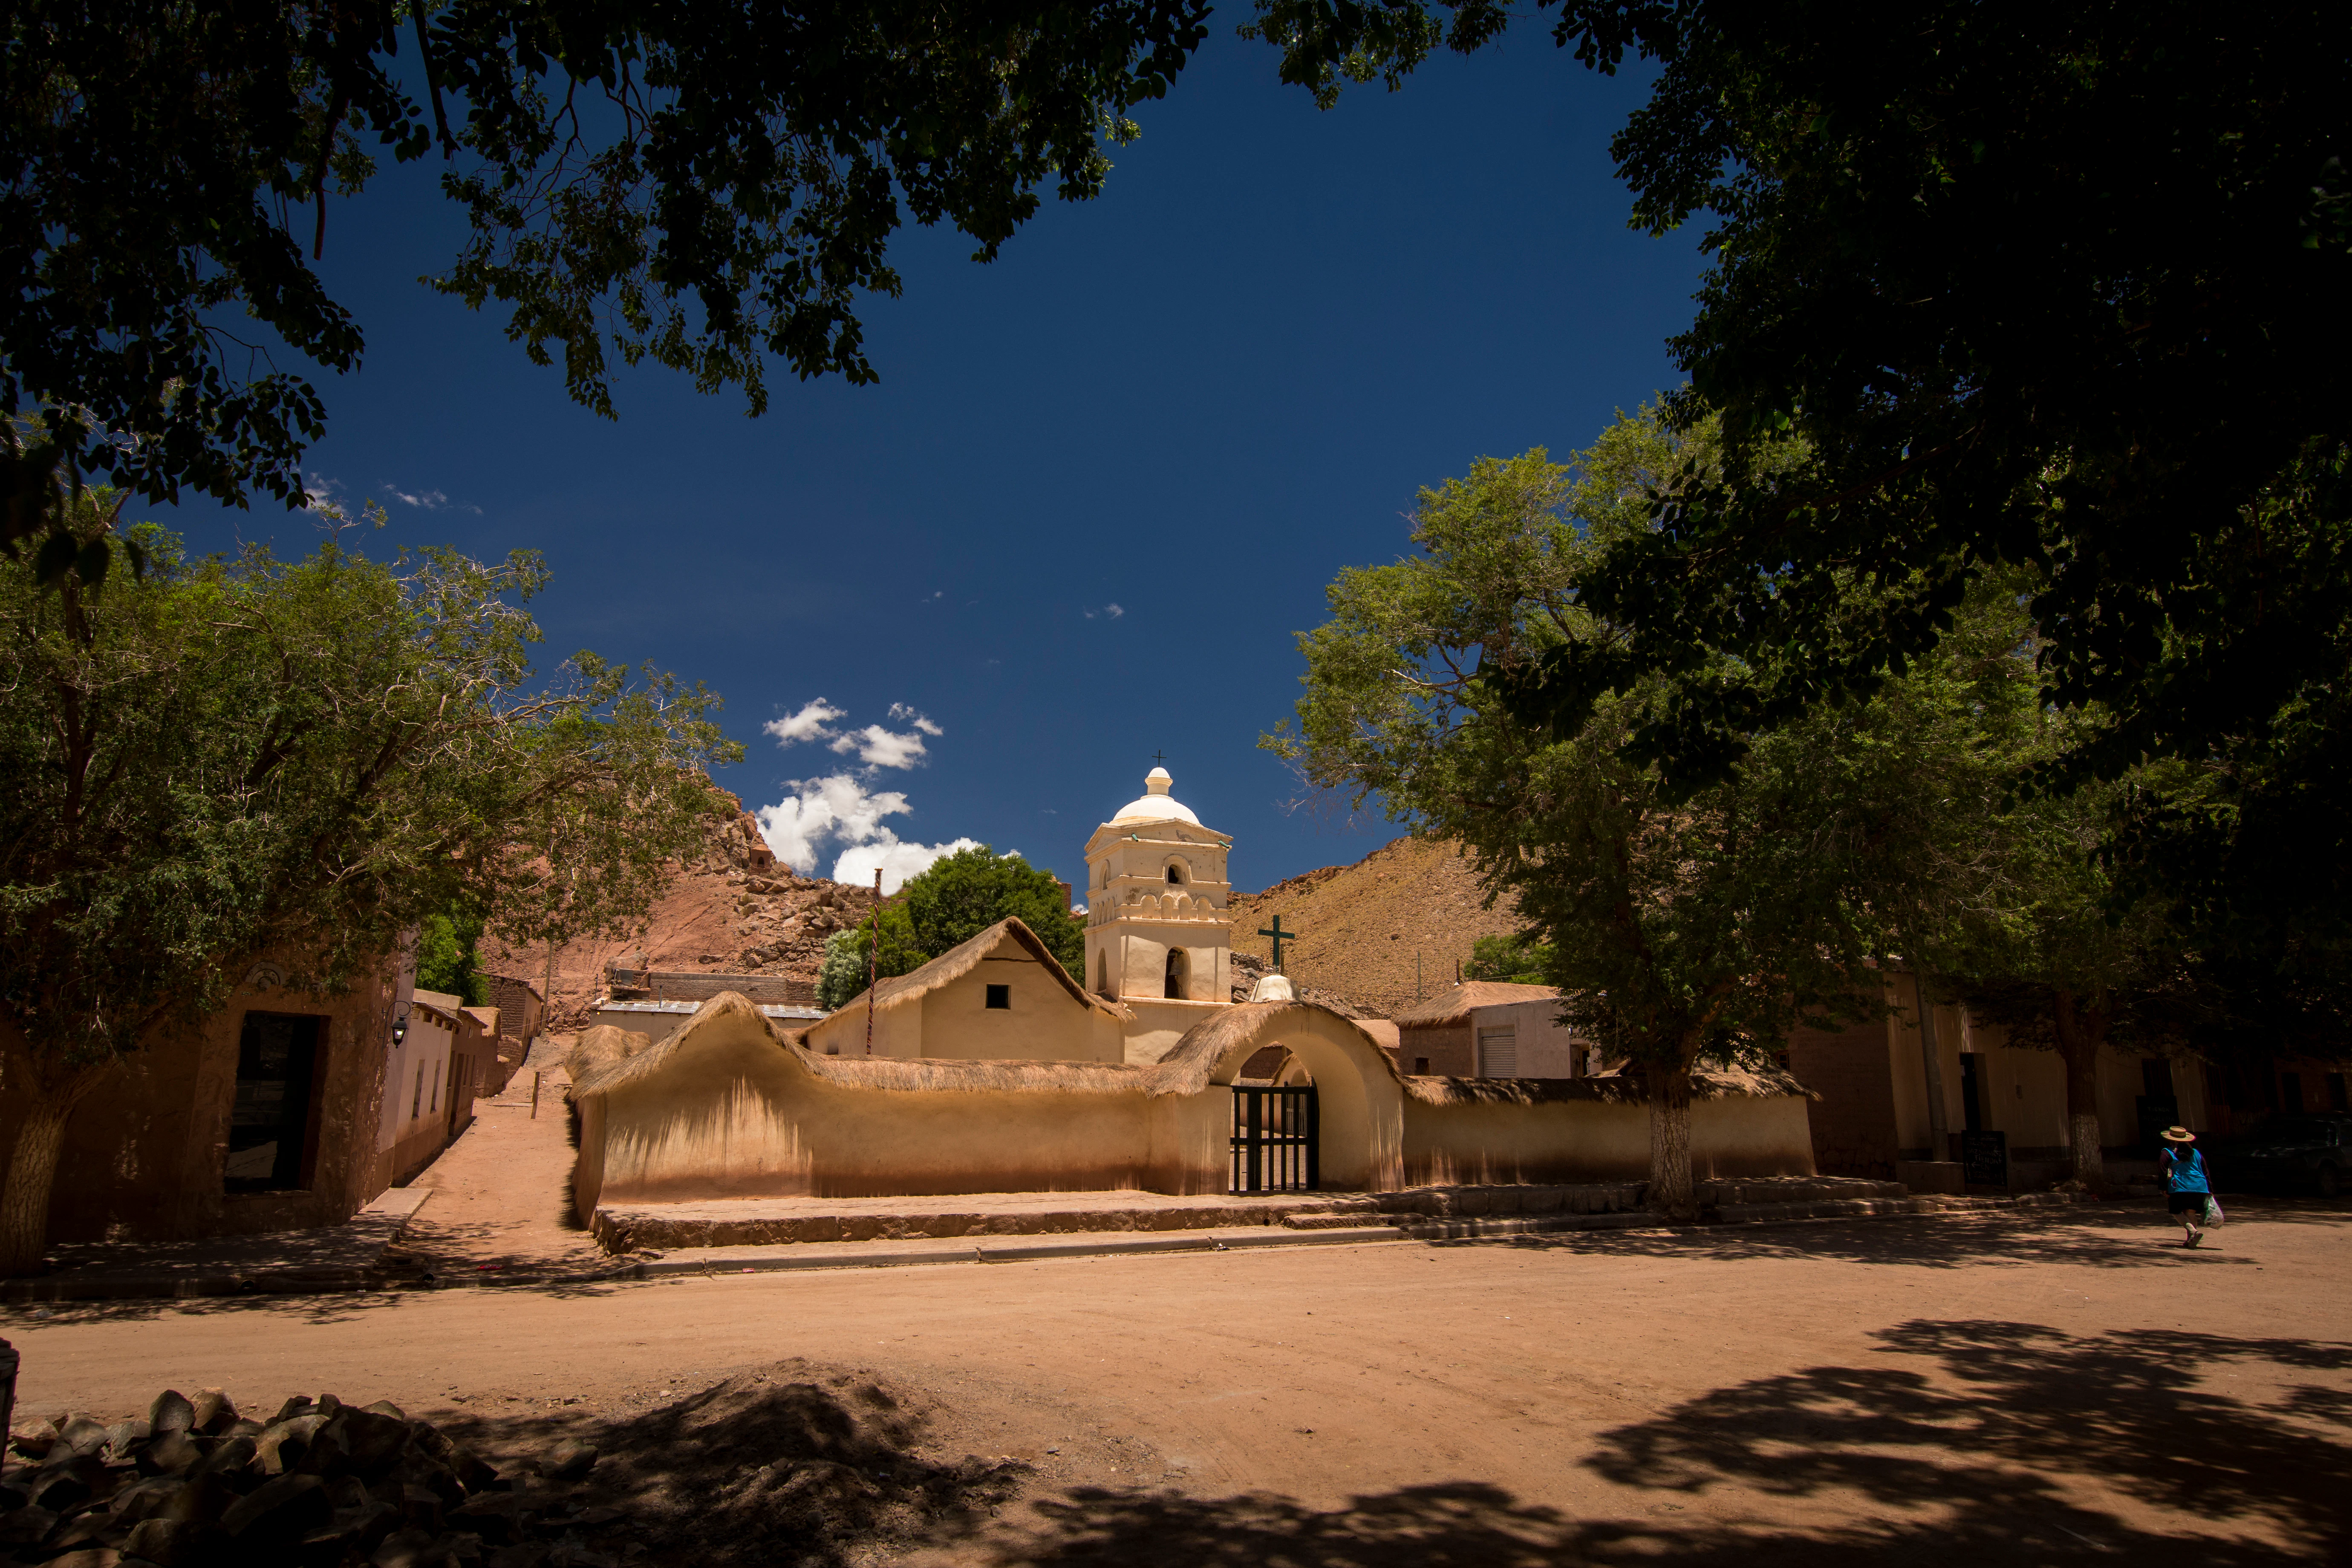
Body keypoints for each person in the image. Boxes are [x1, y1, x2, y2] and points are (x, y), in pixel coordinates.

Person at [2158, 1126, 2214, 1247]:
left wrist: (2163, 1188)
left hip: (2180, 1187)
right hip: (2200, 1186)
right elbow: (2205, 1171)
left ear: (2170, 1139)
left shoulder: (2167, 1152)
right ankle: (2191, 1241)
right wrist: (2210, 1190)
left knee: (2176, 1211)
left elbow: (2163, 1171)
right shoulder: (2196, 1153)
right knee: (2190, 1212)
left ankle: (2194, 1232)